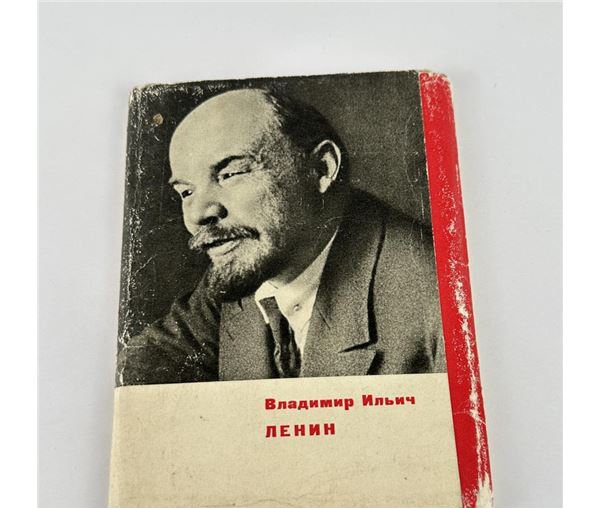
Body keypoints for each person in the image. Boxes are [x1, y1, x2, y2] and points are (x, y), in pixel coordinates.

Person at [117, 88, 446, 385]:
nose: (198, 213)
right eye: (186, 192)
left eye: (231, 174)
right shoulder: (248, 262)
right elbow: (146, 364)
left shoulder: (437, 303)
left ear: (321, 169)